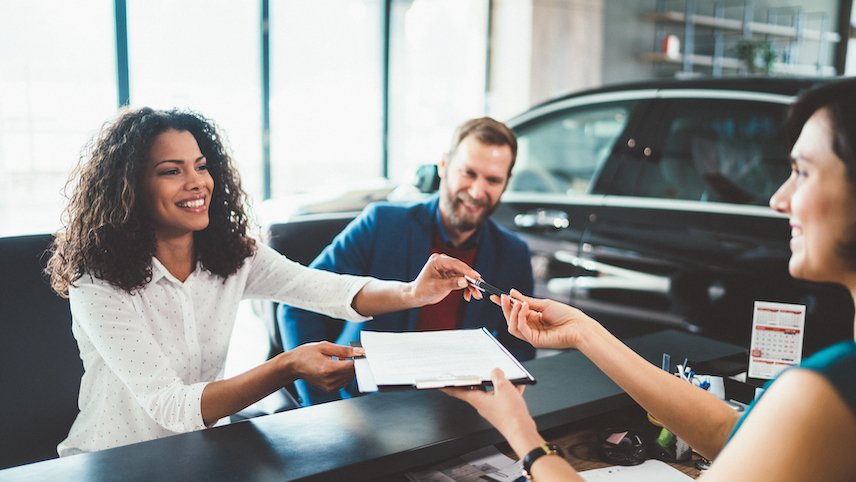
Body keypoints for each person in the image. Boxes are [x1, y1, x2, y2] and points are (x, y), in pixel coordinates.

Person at [444, 77, 856, 481]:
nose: (777, 199)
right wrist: (584, 333)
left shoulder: (827, 393)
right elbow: (729, 434)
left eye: (801, 172)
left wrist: (523, 436)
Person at [47, 106, 485, 456]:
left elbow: (328, 290)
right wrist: (287, 366)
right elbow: (171, 405)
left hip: (195, 453)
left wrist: (413, 291)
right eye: (171, 171)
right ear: (131, 187)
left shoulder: (232, 256)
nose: (197, 181)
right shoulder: (97, 279)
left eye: (200, 166)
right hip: (111, 461)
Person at [279, 117, 535, 405]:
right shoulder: (381, 224)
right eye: (468, 173)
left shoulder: (513, 252)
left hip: (457, 409)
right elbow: (297, 305)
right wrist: (319, 406)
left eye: (492, 180)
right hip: (363, 402)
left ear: (506, 183)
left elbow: (519, 345)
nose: (477, 192)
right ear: (443, 166)